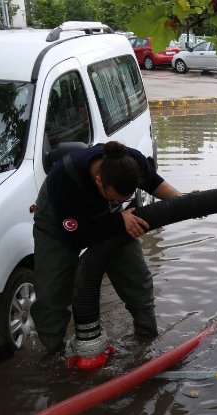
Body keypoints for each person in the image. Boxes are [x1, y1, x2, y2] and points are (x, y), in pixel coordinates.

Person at [31, 141, 185, 356]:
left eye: (125, 198)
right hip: (60, 224)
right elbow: (75, 237)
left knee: (136, 277)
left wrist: (183, 201)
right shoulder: (63, 179)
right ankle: (53, 354)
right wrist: (118, 221)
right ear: (99, 181)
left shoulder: (131, 161)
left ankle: (147, 339)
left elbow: (155, 183)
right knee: (52, 292)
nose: (121, 201)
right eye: (115, 198)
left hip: (111, 217)